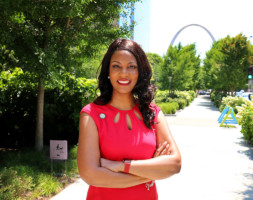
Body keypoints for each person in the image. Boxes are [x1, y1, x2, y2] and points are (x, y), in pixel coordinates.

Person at [77, 38, 181, 200]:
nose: (124, 73)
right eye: (116, 66)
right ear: (108, 72)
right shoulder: (91, 114)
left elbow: (174, 164)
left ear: (140, 72)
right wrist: (149, 172)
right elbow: (90, 175)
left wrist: (119, 166)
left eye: (132, 67)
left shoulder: (153, 113)